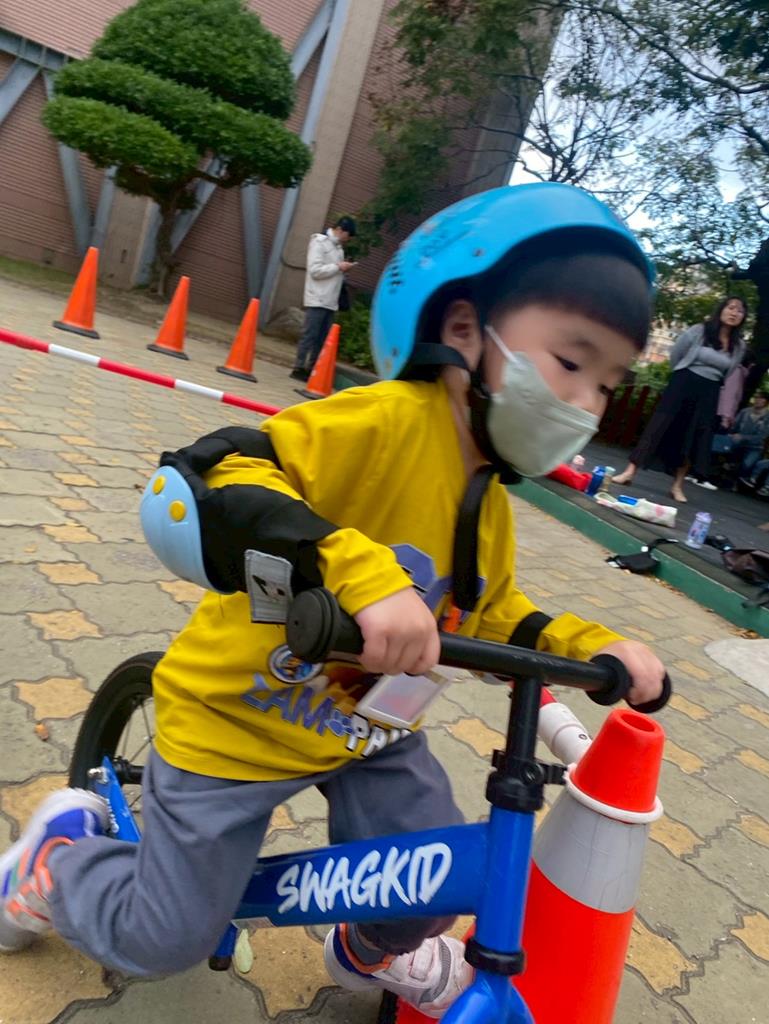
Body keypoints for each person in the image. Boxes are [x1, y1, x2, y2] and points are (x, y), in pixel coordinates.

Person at [0, 184, 668, 1018]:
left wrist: (593, 649)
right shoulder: (384, 421)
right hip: (238, 719)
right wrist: (357, 570)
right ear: (465, 331)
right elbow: (227, 467)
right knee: (161, 939)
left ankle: (364, 947)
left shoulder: (488, 499)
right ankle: (57, 864)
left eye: (606, 385)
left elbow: (494, 615)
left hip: (365, 732)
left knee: (429, 889)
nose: (583, 405)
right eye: (571, 363)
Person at [612, 296, 747, 502]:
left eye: (740, 311)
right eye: (731, 308)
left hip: (710, 390)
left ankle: (677, 485)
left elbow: (729, 371)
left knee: (694, 435)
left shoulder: (738, 346)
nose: (734, 313)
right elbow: (677, 353)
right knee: (659, 425)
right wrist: (682, 374)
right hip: (684, 381)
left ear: (743, 317)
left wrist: (711, 380)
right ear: (722, 309)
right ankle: (630, 472)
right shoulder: (699, 330)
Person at [290, 215, 357, 382]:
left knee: (321, 339)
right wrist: (338, 266)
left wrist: (341, 268)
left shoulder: (338, 249)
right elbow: (315, 271)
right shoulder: (319, 242)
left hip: (331, 300)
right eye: (347, 235)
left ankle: (312, 369)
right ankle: (298, 367)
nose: (347, 239)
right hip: (318, 297)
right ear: (340, 230)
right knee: (310, 335)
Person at [729, 392, 769, 479]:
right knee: (730, 459)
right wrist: (732, 434)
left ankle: (741, 480)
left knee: (747, 465)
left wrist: (743, 437)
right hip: (738, 443)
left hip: (755, 447)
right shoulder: (745, 412)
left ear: (766, 402)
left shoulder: (767, 417)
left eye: (761, 398)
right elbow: (734, 427)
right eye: (756, 398)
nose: (757, 400)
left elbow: (762, 436)